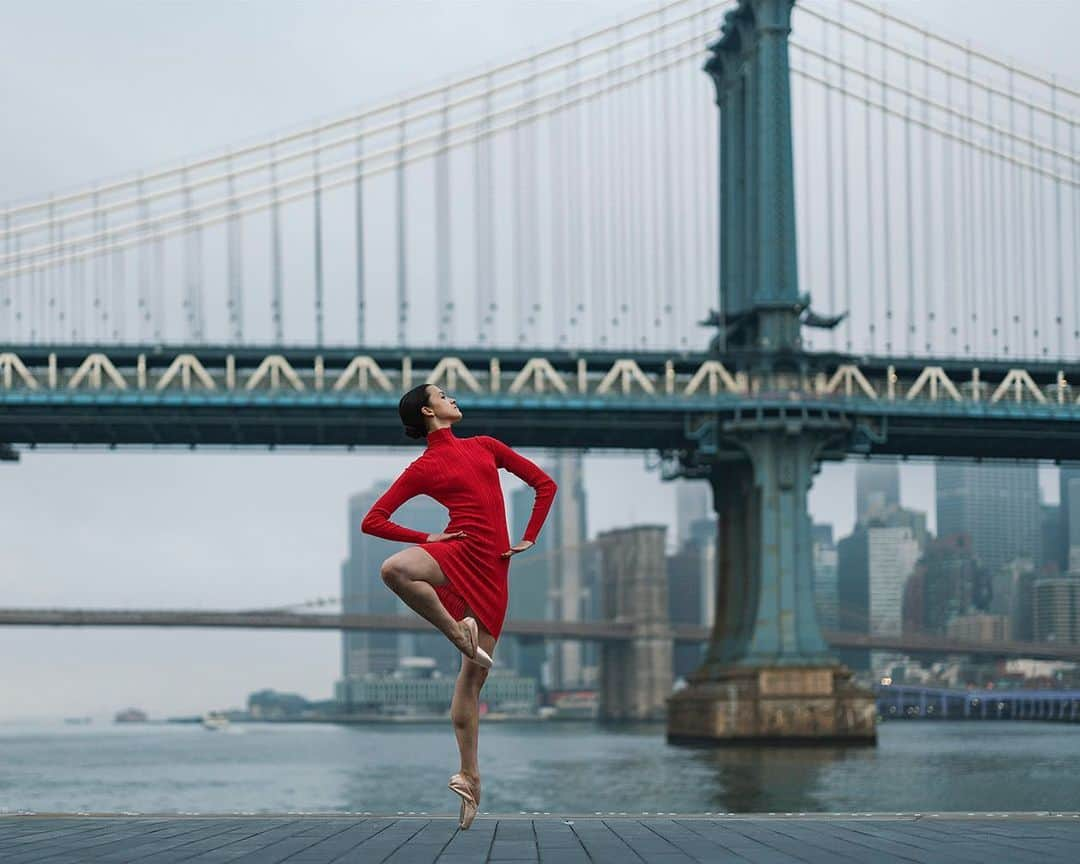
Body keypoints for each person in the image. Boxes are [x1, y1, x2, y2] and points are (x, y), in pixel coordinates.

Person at [360, 382, 558, 829]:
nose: (452, 398)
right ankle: (454, 629)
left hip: (492, 568)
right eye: (442, 394)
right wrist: (427, 538)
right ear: (429, 412)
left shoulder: (486, 446)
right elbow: (372, 520)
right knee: (394, 569)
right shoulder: (424, 466)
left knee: (471, 682)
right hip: (458, 549)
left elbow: (544, 484)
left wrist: (529, 535)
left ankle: (470, 778)